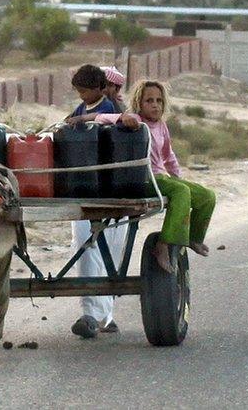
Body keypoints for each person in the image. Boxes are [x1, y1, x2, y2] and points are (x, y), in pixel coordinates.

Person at [92, 80, 215, 273]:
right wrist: (122, 118)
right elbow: (101, 118)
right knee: (181, 192)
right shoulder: (135, 120)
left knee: (207, 196)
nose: (155, 104)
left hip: (162, 179)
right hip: (144, 179)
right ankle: (163, 245)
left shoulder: (162, 126)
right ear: (140, 103)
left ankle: (193, 237)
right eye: (149, 100)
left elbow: (169, 156)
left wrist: (179, 177)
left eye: (159, 100)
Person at [64, 65, 125, 339]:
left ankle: (104, 314)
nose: (81, 96)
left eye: (84, 91)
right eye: (79, 92)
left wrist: (83, 121)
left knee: (109, 252)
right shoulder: (82, 107)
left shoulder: (111, 108)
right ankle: (93, 313)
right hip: (84, 186)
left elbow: (109, 121)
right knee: (87, 249)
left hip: (109, 188)